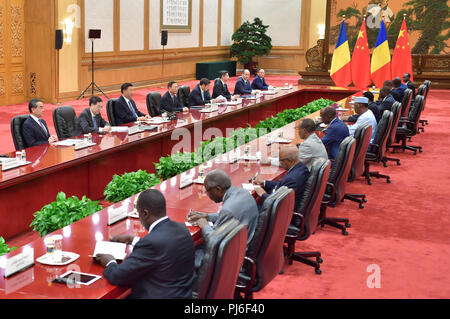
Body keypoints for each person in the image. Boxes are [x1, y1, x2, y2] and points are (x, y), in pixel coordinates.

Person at [95, 189, 195, 299]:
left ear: (145, 213)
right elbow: (164, 246)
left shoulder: (151, 243)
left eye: (138, 213)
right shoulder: (182, 228)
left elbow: (118, 277)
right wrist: (134, 240)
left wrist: (110, 262)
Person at [187, 169, 258, 268]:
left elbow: (213, 241)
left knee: (186, 254)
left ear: (218, 189)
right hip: (245, 243)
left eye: (208, 191)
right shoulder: (243, 193)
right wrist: (207, 216)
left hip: (230, 256)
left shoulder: (228, 209)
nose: (207, 195)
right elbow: (231, 215)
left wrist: (204, 224)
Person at [253, 145, 310, 214]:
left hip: (282, 214)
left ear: (289, 161)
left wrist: (262, 194)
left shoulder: (292, 179)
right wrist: (264, 182)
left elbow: (278, 203)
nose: (279, 162)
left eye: (281, 160)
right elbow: (283, 186)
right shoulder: (301, 168)